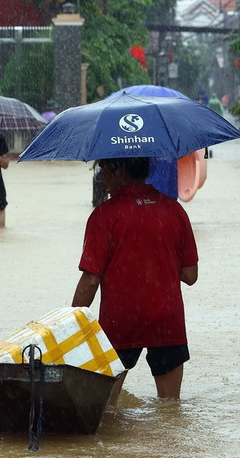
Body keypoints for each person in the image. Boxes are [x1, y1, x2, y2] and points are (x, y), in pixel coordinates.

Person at [71, 157, 198, 403]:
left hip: (120, 320)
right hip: (166, 320)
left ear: (118, 171)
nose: (103, 178)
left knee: (106, 410)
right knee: (170, 410)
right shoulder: (174, 210)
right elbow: (190, 275)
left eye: (104, 170)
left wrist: (70, 322)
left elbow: (90, 280)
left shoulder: (104, 215)